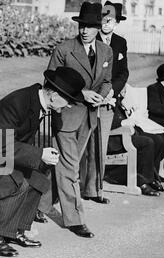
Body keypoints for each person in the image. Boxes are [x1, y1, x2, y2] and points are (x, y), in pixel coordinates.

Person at [0, 66, 86, 257]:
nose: (69, 105)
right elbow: (2, 146)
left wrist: (37, 158)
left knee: (38, 180)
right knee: (15, 182)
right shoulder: (18, 101)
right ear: (53, 95)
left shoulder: (36, 101)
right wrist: (39, 154)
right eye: (68, 100)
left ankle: (14, 231)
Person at [47, 1, 113, 238]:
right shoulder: (64, 49)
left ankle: (40, 204)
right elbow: (50, 82)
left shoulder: (106, 52)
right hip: (65, 116)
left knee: (62, 166)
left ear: (99, 27)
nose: (84, 30)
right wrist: (81, 93)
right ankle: (75, 220)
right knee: (70, 168)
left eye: (90, 26)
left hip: (89, 117)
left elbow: (107, 81)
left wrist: (101, 97)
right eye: (82, 25)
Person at [81, 1, 129, 204]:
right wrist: (99, 93)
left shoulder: (120, 42)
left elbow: (123, 72)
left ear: (117, 22)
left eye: (110, 20)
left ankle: (95, 189)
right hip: (91, 99)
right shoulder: (91, 37)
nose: (105, 24)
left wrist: (112, 93)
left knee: (100, 146)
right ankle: (78, 188)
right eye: (103, 20)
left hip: (109, 101)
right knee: (83, 146)